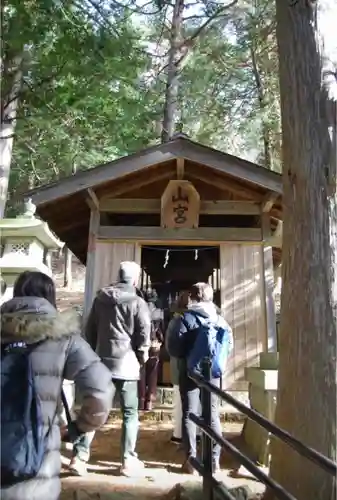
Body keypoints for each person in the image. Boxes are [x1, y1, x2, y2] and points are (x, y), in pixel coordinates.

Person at [0, 271, 113, 500]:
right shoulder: (64, 338)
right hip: (37, 468)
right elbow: (101, 387)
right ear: (51, 297)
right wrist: (80, 426)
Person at [70, 261, 151, 477]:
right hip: (127, 364)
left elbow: (90, 330)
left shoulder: (100, 299)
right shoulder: (138, 303)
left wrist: (96, 354)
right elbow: (144, 336)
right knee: (130, 413)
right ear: (134, 280)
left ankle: (79, 457)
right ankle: (127, 460)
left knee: (94, 409)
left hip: (101, 363)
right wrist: (142, 357)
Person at [167, 282, 233, 474]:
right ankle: (214, 462)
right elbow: (229, 347)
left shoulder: (185, 318)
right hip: (213, 373)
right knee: (212, 415)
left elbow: (174, 349)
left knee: (189, 414)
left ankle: (190, 461)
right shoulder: (220, 320)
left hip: (190, 372)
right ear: (211, 298)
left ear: (193, 298)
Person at [138, 290, 164, 410]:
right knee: (153, 371)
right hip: (155, 342)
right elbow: (162, 330)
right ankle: (150, 399)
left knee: (141, 370)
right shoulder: (159, 312)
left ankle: (141, 399)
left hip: (141, 342)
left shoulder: (139, 310)